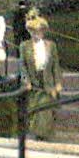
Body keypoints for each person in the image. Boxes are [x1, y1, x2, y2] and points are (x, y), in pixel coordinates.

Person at [20, 9, 62, 140]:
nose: (36, 34)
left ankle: (45, 135)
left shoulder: (51, 45)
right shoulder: (24, 46)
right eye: (33, 31)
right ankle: (39, 135)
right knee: (35, 110)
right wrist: (26, 81)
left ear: (43, 31)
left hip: (47, 80)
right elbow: (22, 66)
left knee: (46, 109)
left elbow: (55, 65)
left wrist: (58, 83)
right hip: (34, 81)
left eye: (39, 31)